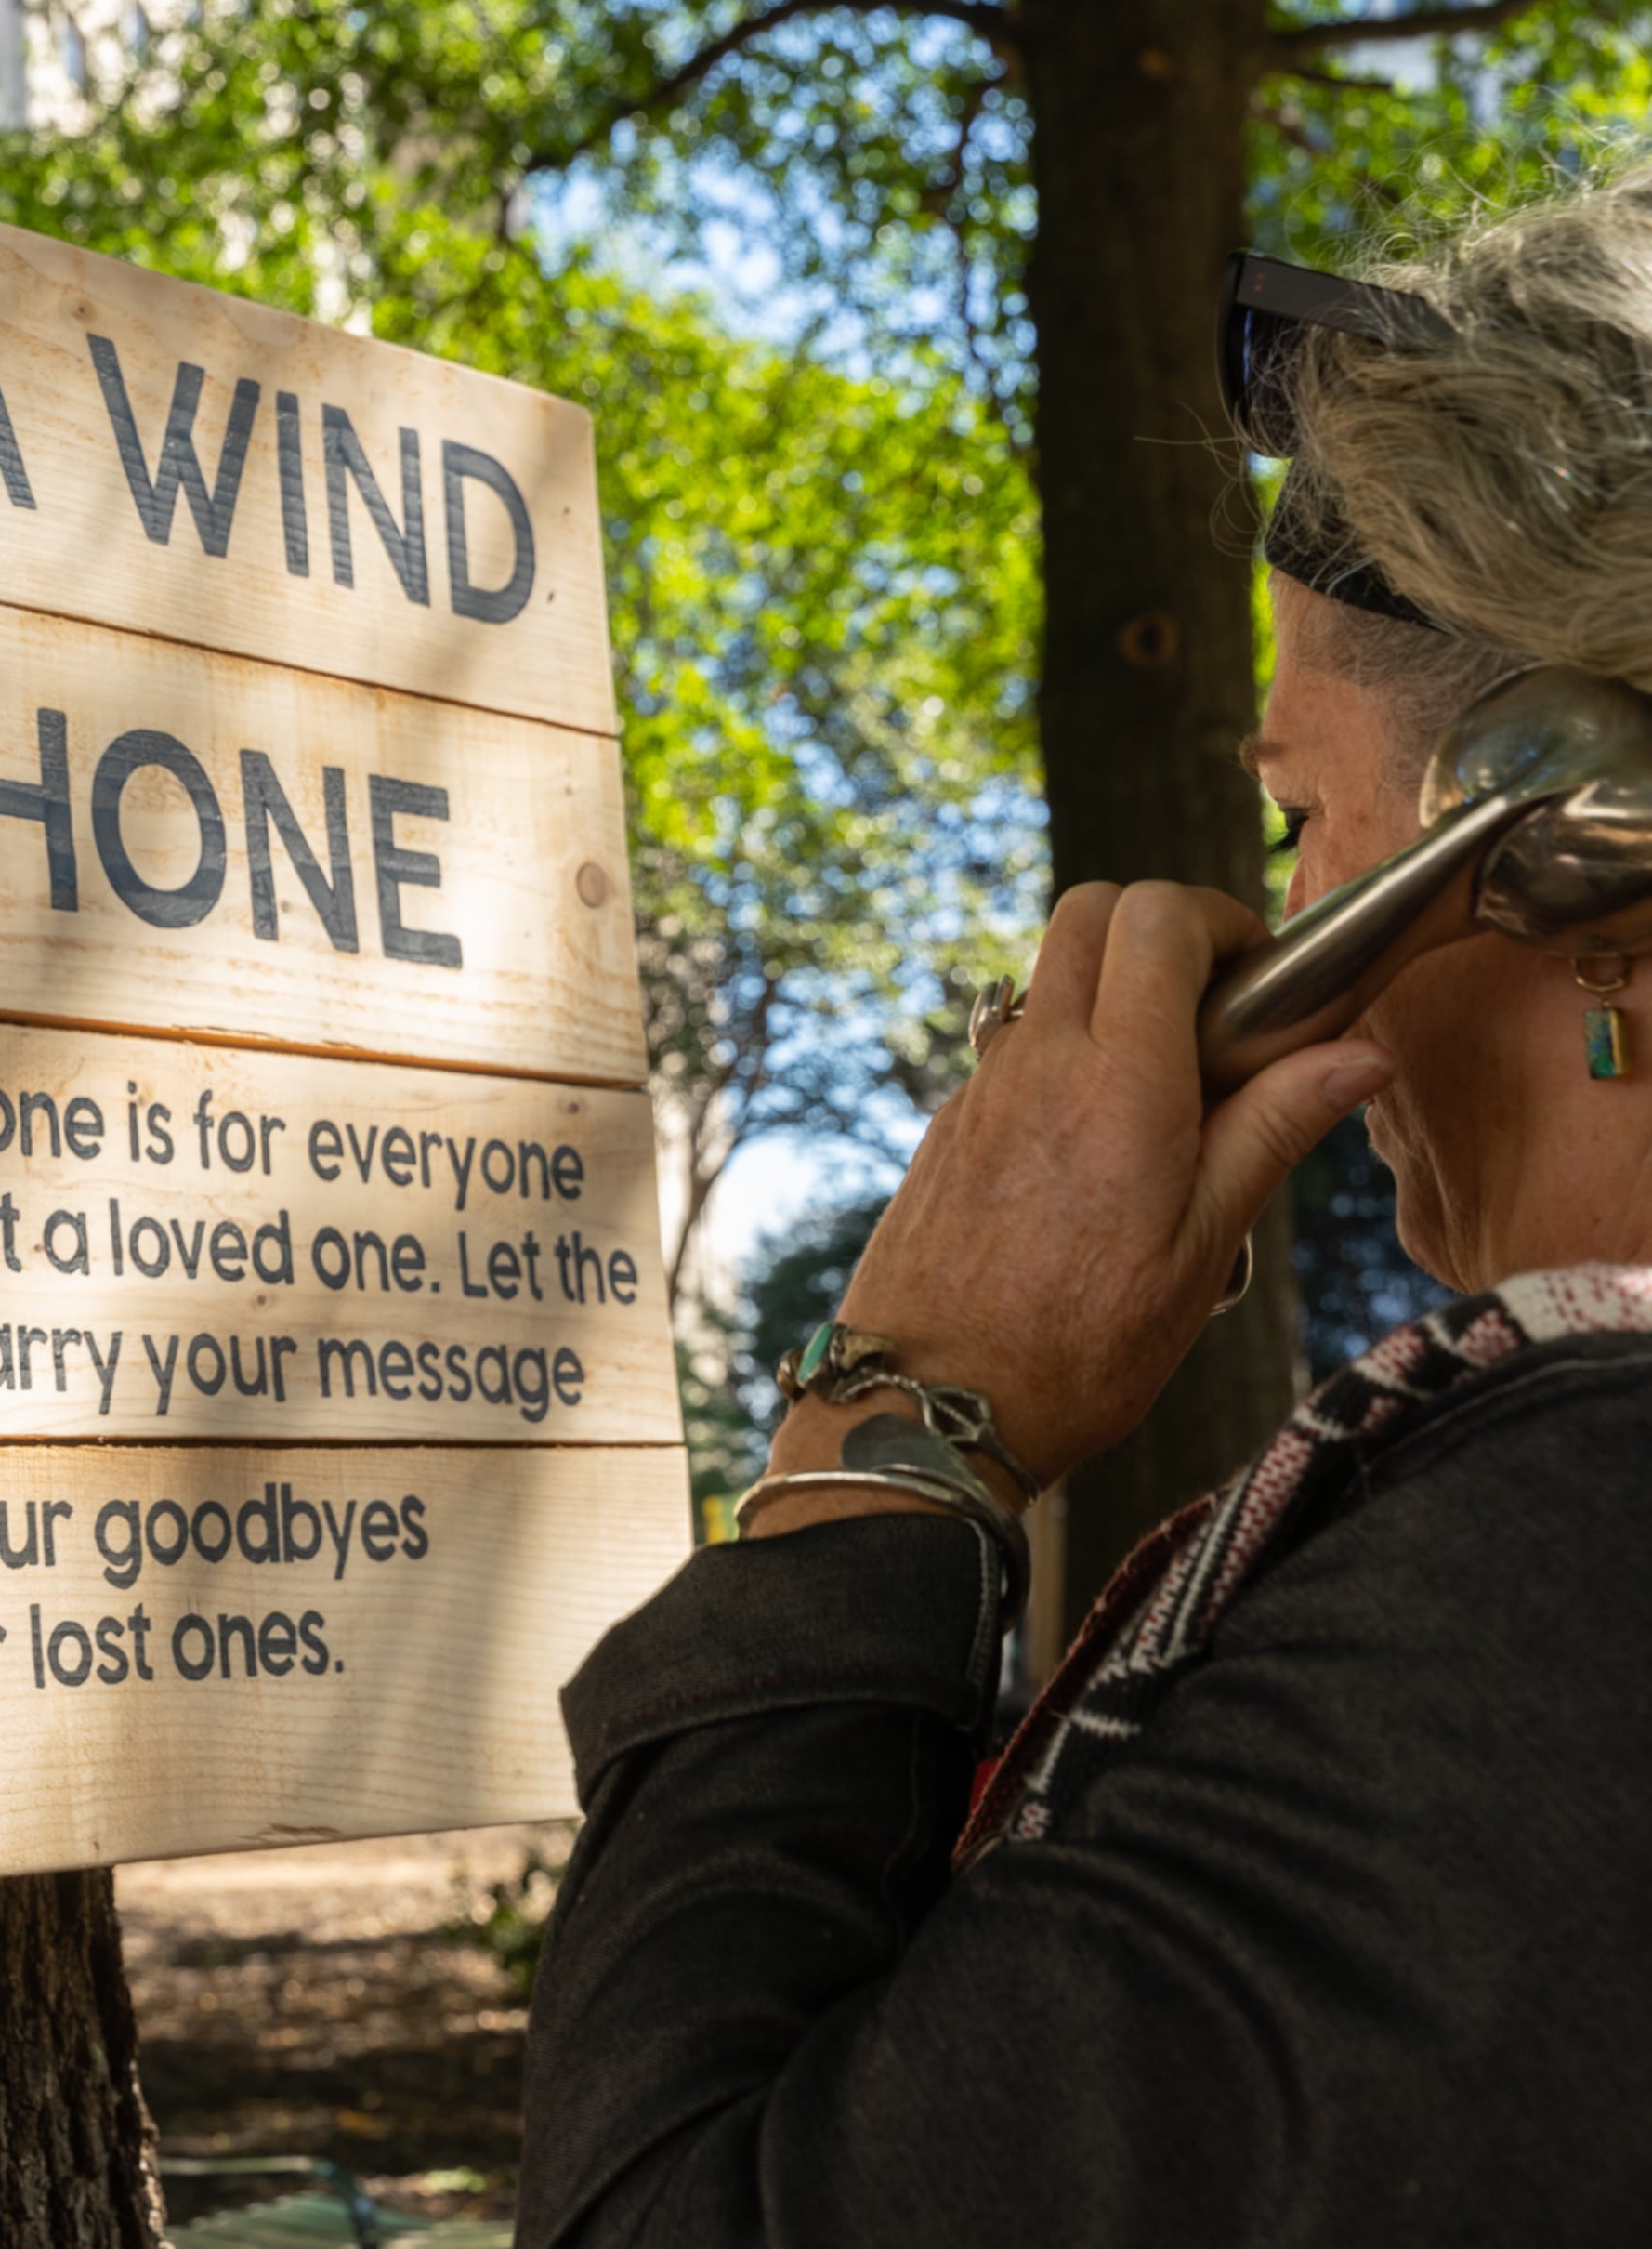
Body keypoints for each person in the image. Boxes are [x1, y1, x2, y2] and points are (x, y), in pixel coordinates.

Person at [517, 161, 1652, 2247]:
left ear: (1566, 835)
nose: (1269, 920)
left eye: (1303, 818)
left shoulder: (1578, 1560)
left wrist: (906, 1411)